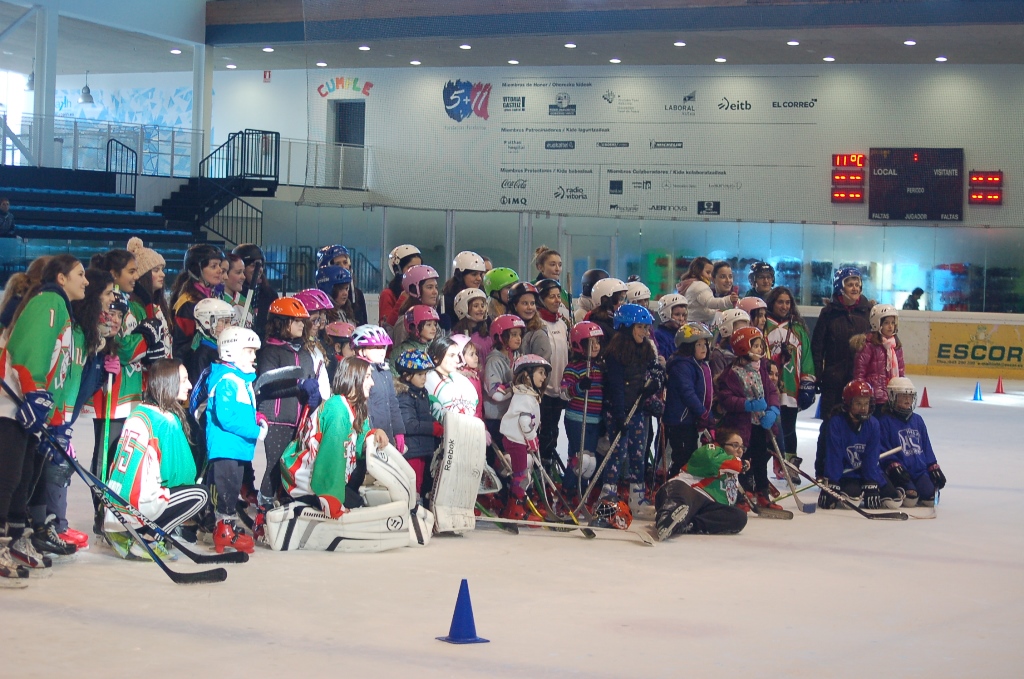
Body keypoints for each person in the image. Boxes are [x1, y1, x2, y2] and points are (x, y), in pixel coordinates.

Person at [0, 255, 89, 582]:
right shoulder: (50, 301)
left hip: (28, 405)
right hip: (11, 404)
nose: (87, 281)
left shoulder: (61, 308)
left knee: (24, 478)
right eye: (80, 274)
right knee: (7, 479)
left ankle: (17, 539)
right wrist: (34, 393)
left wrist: (52, 419)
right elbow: (29, 349)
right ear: (61, 278)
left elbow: (61, 373)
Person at [103, 360, 208, 560]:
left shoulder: (140, 411)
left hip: (113, 509)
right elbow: (181, 476)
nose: (189, 385)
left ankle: (126, 533)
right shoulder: (166, 420)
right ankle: (148, 541)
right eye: (183, 380)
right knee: (199, 495)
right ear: (168, 383)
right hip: (137, 509)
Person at [281, 356, 389, 518]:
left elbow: (358, 445)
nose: (372, 383)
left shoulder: (355, 407)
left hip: (322, 479)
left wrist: (374, 434)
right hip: (305, 483)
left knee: (358, 503)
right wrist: (331, 499)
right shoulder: (338, 409)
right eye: (367, 377)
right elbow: (330, 458)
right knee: (356, 507)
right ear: (354, 377)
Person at [256, 298, 320, 515]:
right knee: (270, 468)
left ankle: (285, 509)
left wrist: (314, 396)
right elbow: (266, 386)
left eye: (302, 321)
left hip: (297, 420)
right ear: (281, 323)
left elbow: (311, 379)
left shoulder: (303, 352)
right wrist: (298, 385)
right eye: (296, 321)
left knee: (289, 469)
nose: (302, 325)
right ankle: (262, 510)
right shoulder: (270, 351)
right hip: (274, 419)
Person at [205, 326, 265, 554]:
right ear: (232, 352)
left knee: (232, 488)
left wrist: (257, 418)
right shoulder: (228, 380)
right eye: (249, 351)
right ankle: (223, 531)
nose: (254, 356)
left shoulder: (240, 379)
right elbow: (226, 417)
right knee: (226, 490)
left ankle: (227, 528)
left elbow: (242, 411)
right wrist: (254, 431)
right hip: (226, 447)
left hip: (237, 448)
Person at [601, 303, 660, 514]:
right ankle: (608, 495)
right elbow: (615, 386)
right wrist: (618, 415)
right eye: (640, 327)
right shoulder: (615, 353)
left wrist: (653, 384)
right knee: (618, 451)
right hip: (618, 410)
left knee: (638, 452)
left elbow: (655, 372)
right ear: (627, 327)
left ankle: (637, 496)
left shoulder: (646, 349)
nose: (645, 333)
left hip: (637, 410)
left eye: (646, 328)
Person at [715, 326, 781, 510]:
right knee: (742, 460)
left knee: (760, 459)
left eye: (761, 346)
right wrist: (746, 404)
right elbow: (727, 398)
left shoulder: (761, 369)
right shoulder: (732, 373)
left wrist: (773, 409)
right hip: (742, 427)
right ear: (744, 347)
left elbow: (771, 391)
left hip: (760, 425)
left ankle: (762, 492)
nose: (761, 349)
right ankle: (740, 495)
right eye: (757, 345)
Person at [814, 379, 903, 510]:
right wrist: (832, 482)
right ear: (848, 403)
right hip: (846, 473)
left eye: (866, 403)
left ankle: (865, 485)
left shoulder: (873, 424)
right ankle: (855, 489)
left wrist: (871, 482)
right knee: (852, 502)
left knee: (893, 502)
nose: (863, 408)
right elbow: (834, 456)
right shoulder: (836, 423)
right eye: (858, 403)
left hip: (869, 470)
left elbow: (872, 457)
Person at [655, 427, 749, 539]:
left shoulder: (733, 474)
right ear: (722, 444)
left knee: (739, 517)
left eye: (742, 447)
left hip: (706, 505)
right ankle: (666, 518)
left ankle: (685, 525)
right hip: (687, 489)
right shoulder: (711, 450)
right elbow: (711, 461)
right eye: (735, 445)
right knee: (683, 500)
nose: (740, 450)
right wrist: (740, 464)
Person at [763, 286, 815, 478]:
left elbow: (807, 358)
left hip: (791, 389)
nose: (784, 306)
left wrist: (808, 383)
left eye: (787, 302)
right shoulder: (763, 326)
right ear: (772, 303)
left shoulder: (798, 329)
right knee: (768, 429)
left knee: (788, 428)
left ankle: (788, 465)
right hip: (769, 388)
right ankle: (762, 465)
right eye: (780, 302)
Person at [811, 267, 872, 417]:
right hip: (833, 380)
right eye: (850, 284)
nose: (855, 288)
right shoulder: (828, 313)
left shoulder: (868, 311)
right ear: (840, 287)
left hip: (859, 378)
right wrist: (817, 375)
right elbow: (818, 347)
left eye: (857, 284)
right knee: (830, 421)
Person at [877, 377, 946, 507]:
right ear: (893, 397)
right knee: (910, 500)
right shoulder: (885, 421)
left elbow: (926, 446)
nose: (908, 400)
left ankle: (918, 485)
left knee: (931, 498)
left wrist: (933, 466)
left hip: (920, 471)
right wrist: (893, 466)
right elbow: (883, 449)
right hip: (902, 471)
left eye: (910, 396)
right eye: (903, 396)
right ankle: (898, 486)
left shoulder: (918, 420)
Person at [350, 325, 406, 481]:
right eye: (376, 347)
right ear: (361, 350)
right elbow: (360, 407)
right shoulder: (359, 373)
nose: (382, 351)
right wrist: (368, 434)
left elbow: (393, 403)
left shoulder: (385, 371)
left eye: (383, 346)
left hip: (386, 437)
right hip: (368, 438)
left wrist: (398, 431)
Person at [499, 353, 550, 520]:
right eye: (541, 372)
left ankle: (518, 505)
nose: (544, 377)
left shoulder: (528, 395)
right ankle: (515, 510)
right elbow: (524, 421)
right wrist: (532, 439)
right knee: (521, 476)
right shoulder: (524, 397)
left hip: (519, 441)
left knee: (524, 475)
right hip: (516, 441)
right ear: (527, 375)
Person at [560, 321, 604, 501]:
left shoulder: (599, 368)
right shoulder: (574, 367)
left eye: (597, 343)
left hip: (594, 419)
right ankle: (569, 489)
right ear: (580, 345)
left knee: (591, 460)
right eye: (590, 343)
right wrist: (578, 387)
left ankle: (582, 490)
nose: (595, 347)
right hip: (577, 418)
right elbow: (564, 393)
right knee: (580, 457)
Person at [664, 322, 715, 477]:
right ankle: (673, 485)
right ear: (688, 346)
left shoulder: (699, 365)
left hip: (691, 420)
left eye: (705, 344)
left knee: (690, 456)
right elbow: (688, 392)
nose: (703, 348)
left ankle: (685, 486)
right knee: (682, 457)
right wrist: (703, 413)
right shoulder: (682, 365)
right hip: (680, 421)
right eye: (698, 344)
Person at [534, 278, 571, 465]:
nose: (557, 300)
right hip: (543, 390)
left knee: (553, 431)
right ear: (541, 299)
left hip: (559, 388)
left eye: (558, 297)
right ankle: (538, 469)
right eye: (551, 297)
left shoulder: (563, 324)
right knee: (542, 431)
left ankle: (549, 465)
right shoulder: (537, 324)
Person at [171, 243, 225, 366]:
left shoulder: (212, 297)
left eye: (219, 265)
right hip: (193, 368)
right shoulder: (188, 303)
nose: (220, 270)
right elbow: (181, 348)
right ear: (197, 270)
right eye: (213, 266)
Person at [394, 350, 437, 499]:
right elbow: (409, 424)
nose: (424, 378)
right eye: (420, 375)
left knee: (424, 485)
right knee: (414, 486)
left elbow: (424, 415)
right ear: (407, 375)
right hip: (413, 450)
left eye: (425, 374)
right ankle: (412, 512)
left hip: (423, 448)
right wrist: (433, 428)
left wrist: (436, 423)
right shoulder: (405, 395)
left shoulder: (421, 392)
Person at [483, 314, 525, 447]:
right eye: (513, 334)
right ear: (500, 336)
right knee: (502, 459)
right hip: (496, 418)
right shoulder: (494, 360)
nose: (518, 339)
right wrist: (517, 386)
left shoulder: (517, 357)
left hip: (510, 415)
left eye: (519, 334)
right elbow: (496, 394)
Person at [851, 304, 905, 405]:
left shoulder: (896, 346)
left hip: (892, 396)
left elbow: (901, 372)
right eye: (886, 323)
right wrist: (863, 392)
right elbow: (860, 372)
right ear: (877, 323)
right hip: (874, 397)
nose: (890, 326)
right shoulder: (869, 345)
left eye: (893, 323)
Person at [127, 238, 172, 357]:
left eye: (162, 270)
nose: (162, 274)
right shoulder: (134, 308)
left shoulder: (159, 306)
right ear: (143, 275)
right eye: (156, 270)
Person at [425, 336, 479, 423]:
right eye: (451, 355)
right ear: (436, 358)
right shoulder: (426, 381)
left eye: (458, 355)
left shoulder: (462, 381)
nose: (457, 360)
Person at [293, 288, 335, 402]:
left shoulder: (316, 345)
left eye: (321, 318)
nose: (319, 324)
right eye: (314, 320)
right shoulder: (299, 350)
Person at [232, 243, 278, 339]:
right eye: (253, 265)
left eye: (260, 265)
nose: (259, 269)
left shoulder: (269, 294)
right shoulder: (233, 294)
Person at [186, 298, 234, 385]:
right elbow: (200, 388)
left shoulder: (218, 348)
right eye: (225, 322)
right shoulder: (201, 354)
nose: (229, 326)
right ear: (207, 322)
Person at [317, 244, 368, 325]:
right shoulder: (318, 307)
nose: (343, 267)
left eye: (345, 262)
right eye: (337, 264)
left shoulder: (358, 294)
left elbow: (363, 326)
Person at [678, 257, 736, 326]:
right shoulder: (699, 286)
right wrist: (728, 300)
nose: (710, 276)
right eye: (708, 272)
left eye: (730, 276)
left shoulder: (691, 284)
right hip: (698, 326)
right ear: (698, 271)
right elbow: (710, 302)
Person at [393, 264, 443, 343]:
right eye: (430, 287)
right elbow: (399, 353)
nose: (435, 292)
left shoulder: (433, 317)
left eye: (436, 287)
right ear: (414, 290)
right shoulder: (404, 321)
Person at [379, 244, 422, 331]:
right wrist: (402, 300)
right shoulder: (388, 294)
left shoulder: (422, 292)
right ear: (398, 270)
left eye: (419, 268)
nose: (416, 272)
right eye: (411, 268)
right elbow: (386, 328)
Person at [442, 250, 486, 328]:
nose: (479, 278)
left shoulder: (483, 295)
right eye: (474, 274)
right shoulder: (447, 301)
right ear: (460, 275)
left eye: (480, 274)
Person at [392, 305, 440, 369]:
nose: (434, 328)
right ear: (415, 326)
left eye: (435, 325)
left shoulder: (436, 346)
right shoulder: (403, 349)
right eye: (428, 325)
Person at [708, 308, 749, 381]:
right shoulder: (719, 355)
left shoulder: (748, 352)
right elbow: (719, 383)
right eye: (740, 330)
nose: (744, 334)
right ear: (727, 330)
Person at [451, 287, 491, 360]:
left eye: (482, 306)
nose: (481, 309)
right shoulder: (455, 337)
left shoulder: (487, 337)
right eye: (476, 306)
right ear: (463, 308)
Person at [532, 246, 573, 317]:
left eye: (560, 265)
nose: (557, 269)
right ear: (540, 267)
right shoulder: (531, 288)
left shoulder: (564, 294)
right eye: (553, 265)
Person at [586, 277, 627, 347]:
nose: (623, 303)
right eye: (620, 299)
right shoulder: (598, 325)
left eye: (624, 299)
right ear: (606, 300)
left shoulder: (616, 321)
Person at [653, 293, 688, 362]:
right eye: (677, 314)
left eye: (683, 315)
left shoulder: (683, 332)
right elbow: (667, 357)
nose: (681, 319)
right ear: (666, 314)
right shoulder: (658, 335)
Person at [221, 253, 252, 328]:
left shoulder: (245, 301)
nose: (243, 277)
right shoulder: (217, 301)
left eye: (243, 272)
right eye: (238, 272)